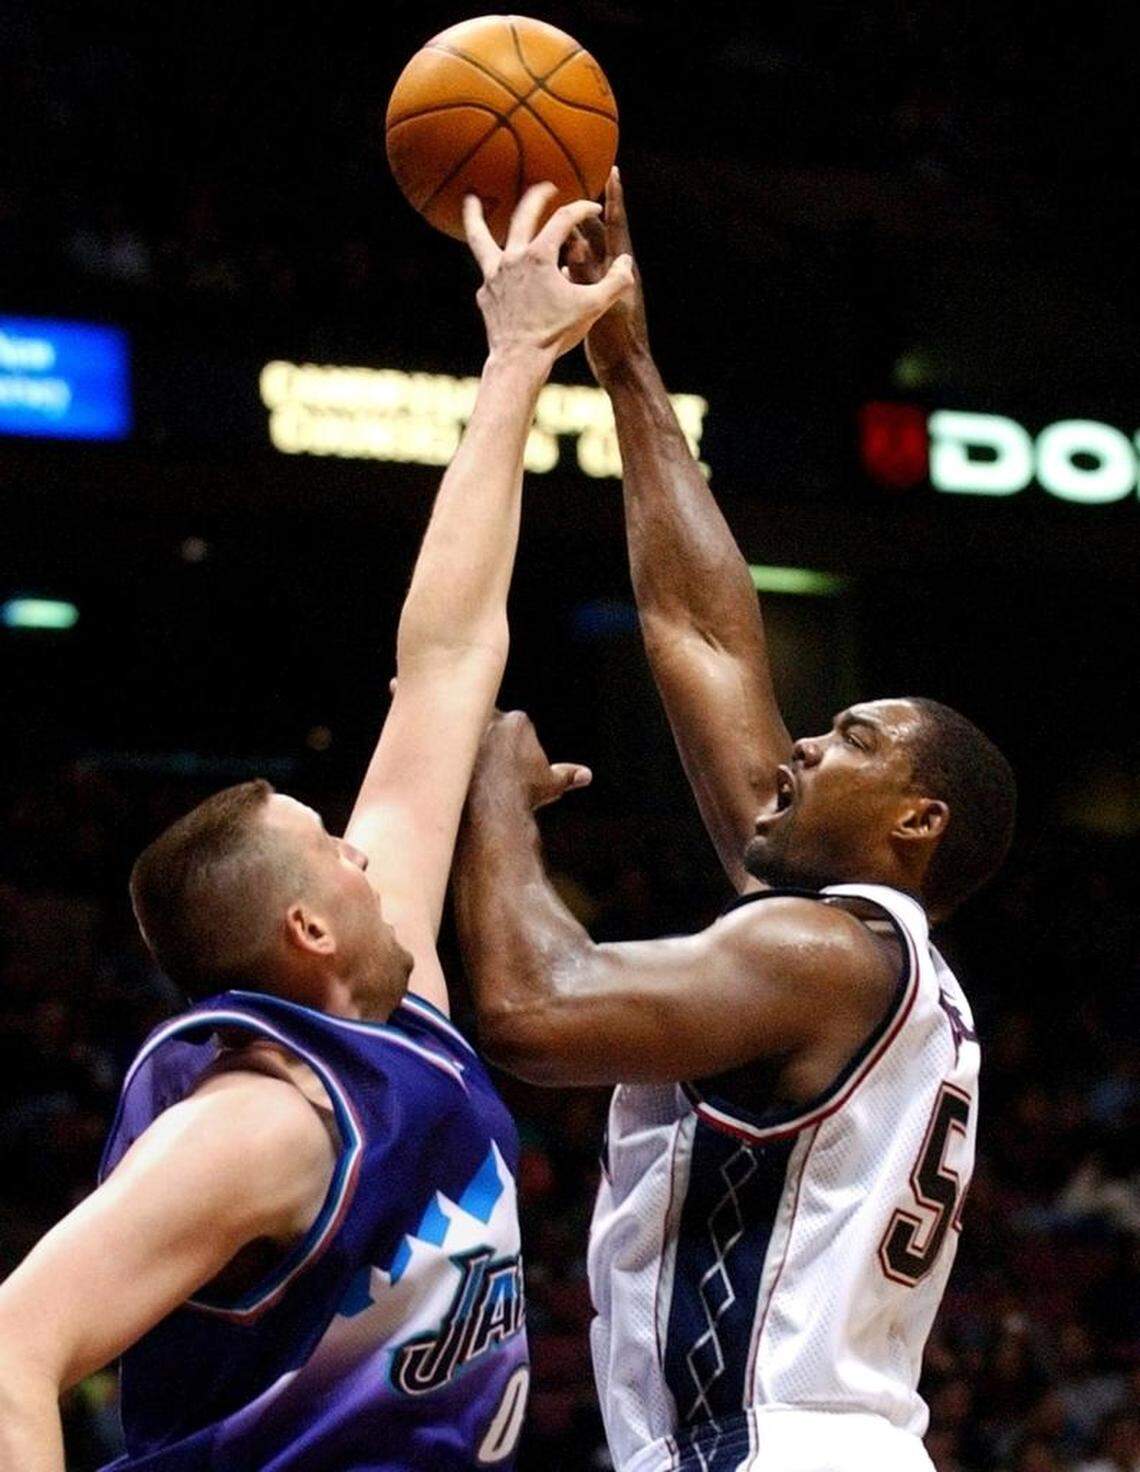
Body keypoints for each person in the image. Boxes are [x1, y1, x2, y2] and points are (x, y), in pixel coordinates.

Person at [0, 184, 633, 1472]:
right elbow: (15, 1338)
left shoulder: (396, 1018)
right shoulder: (262, 1123)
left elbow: (446, 658)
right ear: (306, 924)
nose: (370, 850)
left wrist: (517, 359)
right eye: (337, 851)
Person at [453, 170, 1017, 1472]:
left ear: (916, 820)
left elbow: (537, 1012)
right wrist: (626, 355)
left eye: (856, 739)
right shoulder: (870, 963)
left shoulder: (824, 959)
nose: (812, 740)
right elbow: (702, 638)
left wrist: (493, 801)